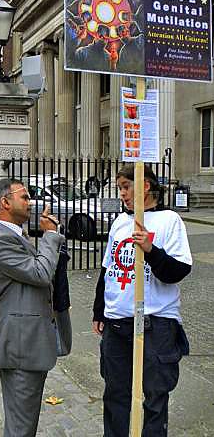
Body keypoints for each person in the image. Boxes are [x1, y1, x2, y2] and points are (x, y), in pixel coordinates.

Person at [92, 164, 192, 437]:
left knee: (154, 397)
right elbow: (107, 269)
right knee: (115, 395)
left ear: (144, 185)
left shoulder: (169, 220)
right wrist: (99, 310)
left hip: (155, 323)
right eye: (120, 187)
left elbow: (178, 271)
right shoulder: (120, 222)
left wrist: (150, 249)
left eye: (126, 187)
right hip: (117, 323)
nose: (122, 194)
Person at [0, 178, 65, 437]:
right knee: (21, 428)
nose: (30, 202)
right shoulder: (0, 241)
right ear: (5, 202)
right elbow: (41, 273)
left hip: (27, 344)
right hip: (21, 346)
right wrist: (50, 236)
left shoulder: (13, 236)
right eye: (25, 196)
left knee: (22, 424)